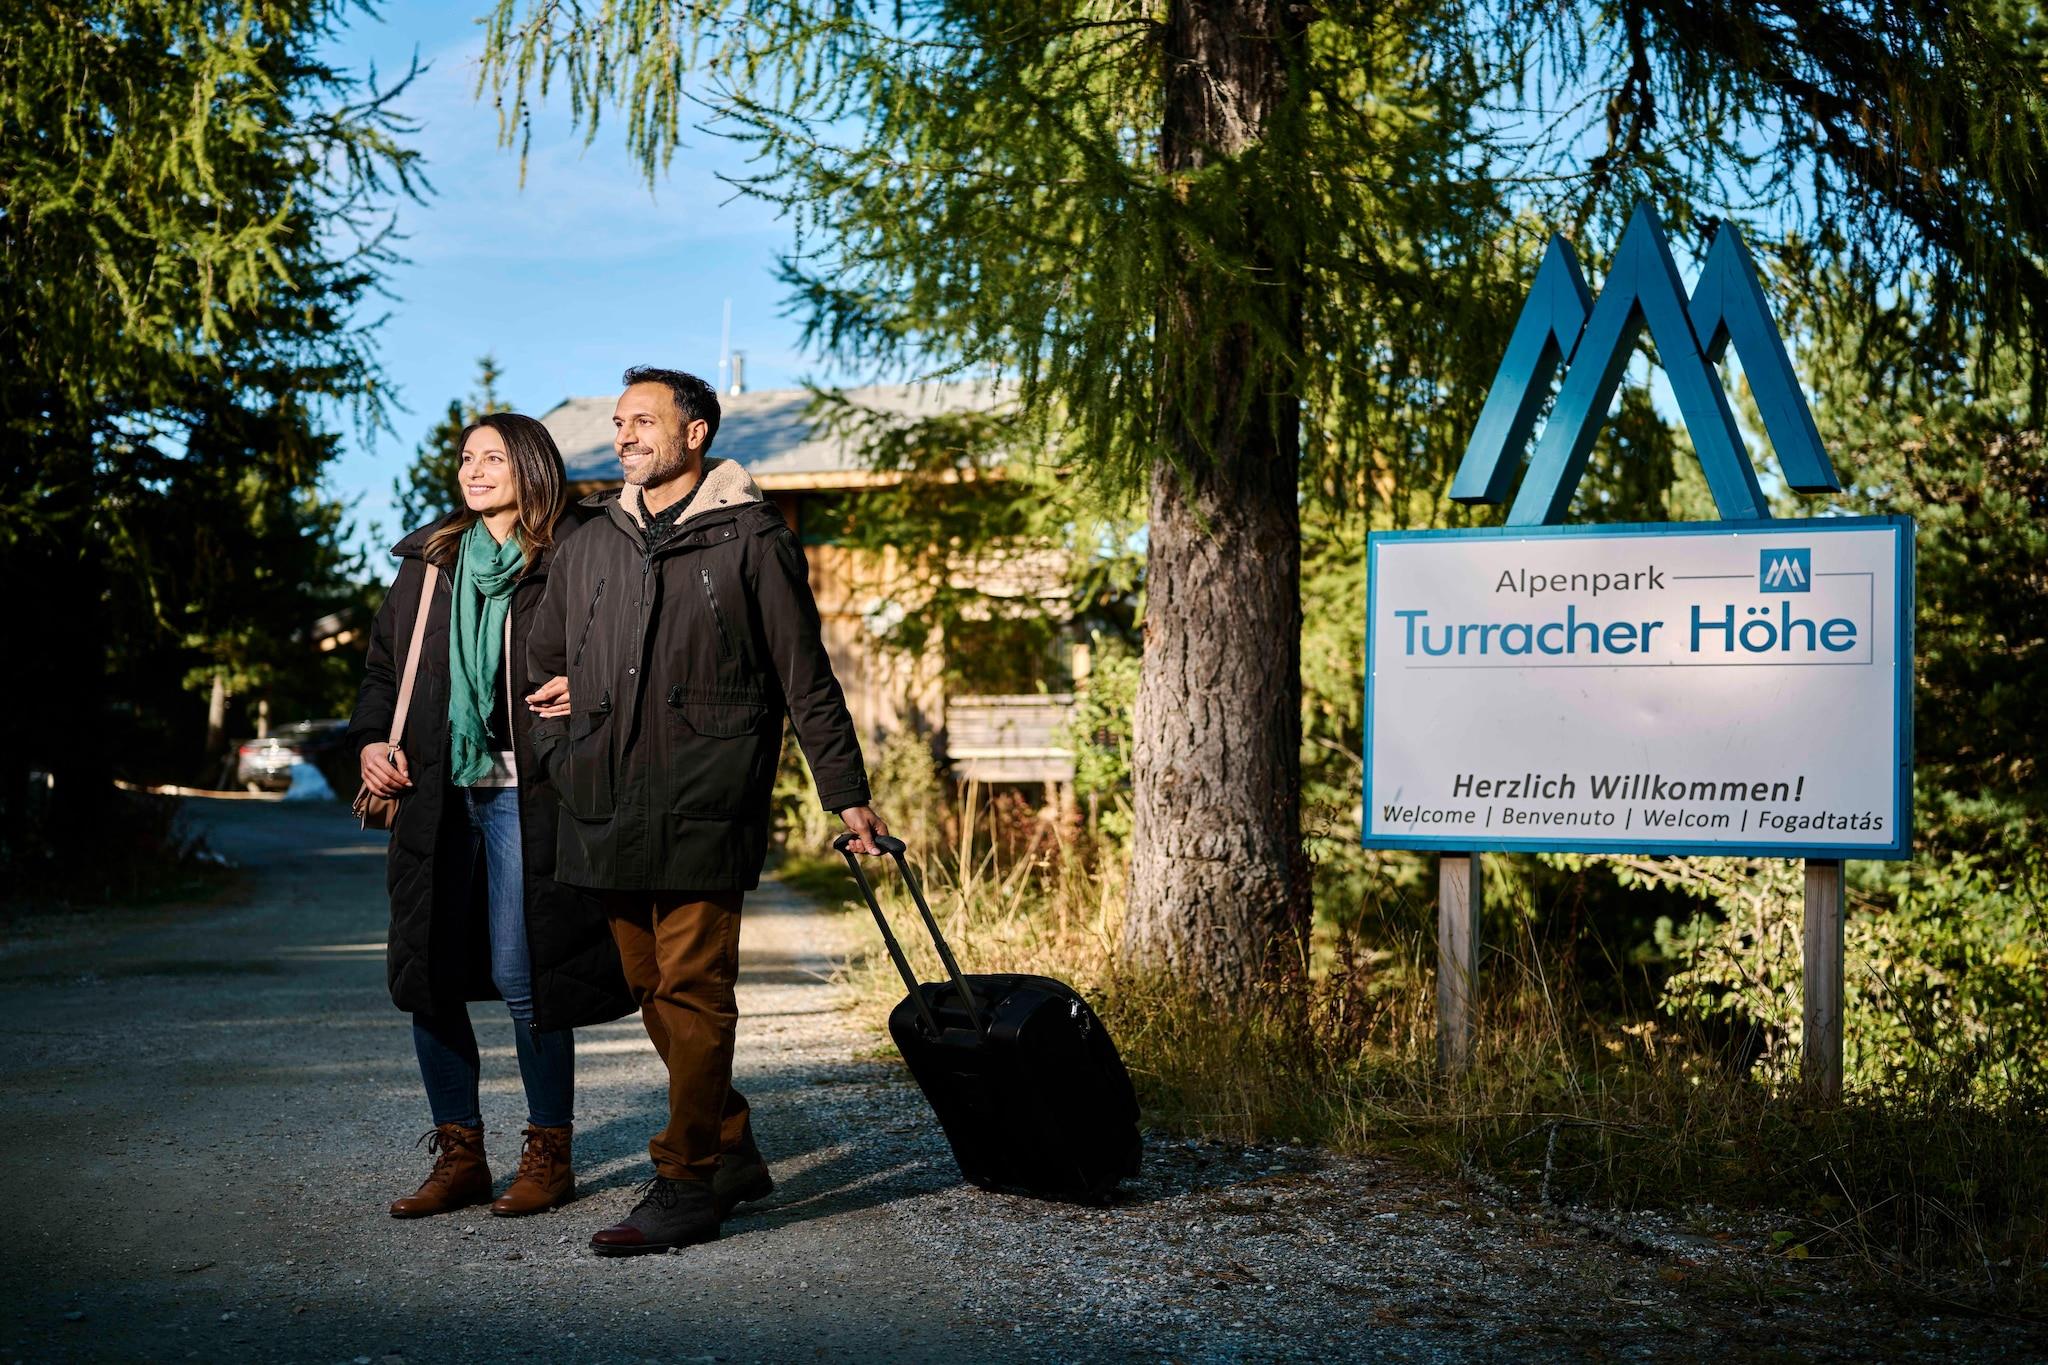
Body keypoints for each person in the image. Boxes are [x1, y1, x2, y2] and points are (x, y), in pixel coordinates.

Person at [523, 365, 887, 1256]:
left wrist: (846, 795)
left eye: (643, 421)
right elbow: (544, 662)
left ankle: (685, 1181)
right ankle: (730, 1147)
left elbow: (805, 677)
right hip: (605, 796)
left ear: (695, 433)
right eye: (619, 422)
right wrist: (564, 748)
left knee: (693, 988)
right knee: (649, 986)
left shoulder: (753, 537)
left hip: (704, 796)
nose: (625, 435)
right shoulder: (591, 541)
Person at [348, 413, 634, 1220]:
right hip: (433, 789)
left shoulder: (577, 552)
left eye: (493, 458)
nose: (474, 471)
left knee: (527, 970)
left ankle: (549, 1151)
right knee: (428, 969)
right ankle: (460, 1153)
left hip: (531, 792)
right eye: (467, 458)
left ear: (531, 467)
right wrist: (370, 740)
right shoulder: (431, 561)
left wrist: (592, 686)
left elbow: (627, 652)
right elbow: (383, 670)